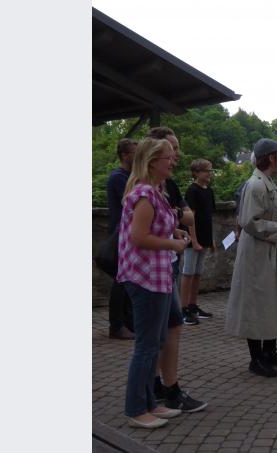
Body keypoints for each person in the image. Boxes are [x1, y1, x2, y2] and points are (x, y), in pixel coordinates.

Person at [116, 137, 189, 428]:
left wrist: (176, 235)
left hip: (156, 277)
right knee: (146, 347)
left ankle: (149, 404)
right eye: (168, 157)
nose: (173, 161)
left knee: (156, 342)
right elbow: (138, 237)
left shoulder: (156, 191)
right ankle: (135, 409)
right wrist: (173, 245)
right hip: (144, 277)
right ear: (152, 162)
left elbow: (153, 230)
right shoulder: (145, 193)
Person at [145, 126, 207, 413]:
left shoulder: (168, 185)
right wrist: (175, 218)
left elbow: (189, 216)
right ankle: (158, 392)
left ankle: (163, 387)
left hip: (166, 264)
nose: (176, 156)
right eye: (171, 150)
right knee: (159, 334)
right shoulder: (145, 187)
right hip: (152, 269)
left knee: (171, 327)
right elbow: (139, 232)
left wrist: (174, 216)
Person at [225, 138, 277, 378]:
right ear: (271, 158)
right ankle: (256, 359)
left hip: (267, 249)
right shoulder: (256, 185)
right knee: (256, 301)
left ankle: (270, 351)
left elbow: (268, 214)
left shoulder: (266, 182)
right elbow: (250, 222)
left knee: (271, 298)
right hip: (257, 252)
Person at [106, 138, 137, 340]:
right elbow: (132, 201)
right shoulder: (118, 177)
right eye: (135, 152)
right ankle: (116, 325)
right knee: (120, 280)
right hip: (120, 235)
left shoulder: (128, 176)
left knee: (126, 280)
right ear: (125, 155)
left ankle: (126, 321)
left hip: (128, 234)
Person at [181, 158, 216, 324]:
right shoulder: (192, 191)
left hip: (204, 239)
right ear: (196, 173)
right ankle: (183, 308)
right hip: (193, 241)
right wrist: (193, 240)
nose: (210, 173)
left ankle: (193, 305)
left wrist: (211, 240)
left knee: (197, 274)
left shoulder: (209, 191)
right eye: (206, 170)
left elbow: (209, 217)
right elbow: (191, 218)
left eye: (210, 170)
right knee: (188, 273)